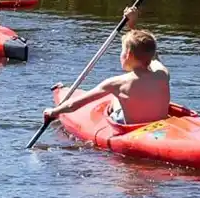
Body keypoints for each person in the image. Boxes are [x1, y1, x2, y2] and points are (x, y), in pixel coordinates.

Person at [42, 23, 170, 126]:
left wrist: (53, 112)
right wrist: (132, 24)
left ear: (128, 55)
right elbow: (153, 55)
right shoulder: (163, 74)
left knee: (115, 97)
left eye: (122, 50)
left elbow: (73, 105)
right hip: (158, 125)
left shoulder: (117, 83)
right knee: (118, 97)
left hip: (131, 129)